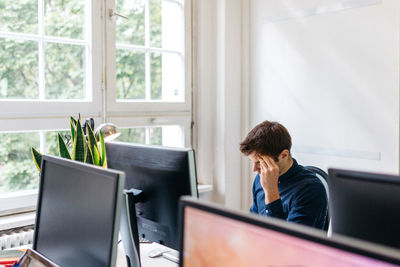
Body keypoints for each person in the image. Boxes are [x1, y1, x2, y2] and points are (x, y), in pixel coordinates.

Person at [240, 120, 327, 229]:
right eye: (252, 162)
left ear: (284, 155)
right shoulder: (260, 178)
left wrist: (271, 192)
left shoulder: (311, 189)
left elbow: (288, 241)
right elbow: (253, 222)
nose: (254, 169)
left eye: (260, 163)